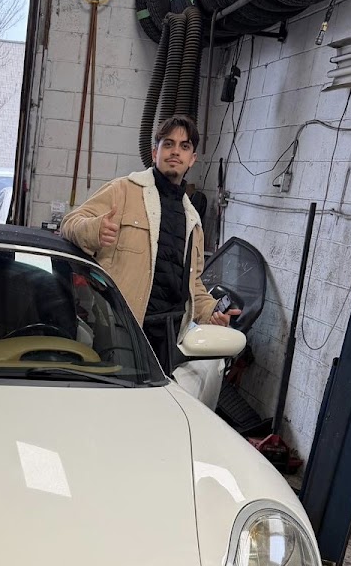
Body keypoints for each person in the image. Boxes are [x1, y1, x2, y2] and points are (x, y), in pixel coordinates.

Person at [60, 115, 238, 403]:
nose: (175, 152)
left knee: (150, 411)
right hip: (120, 328)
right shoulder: (124, 190)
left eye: (183, 146)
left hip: (167, 337)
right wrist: (93, 230)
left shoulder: (192, 219)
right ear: (156, 151)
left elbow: (191, 284)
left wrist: (213, 312)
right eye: (168, 144)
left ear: (192, 158)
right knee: (112, 406)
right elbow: (71, 222)